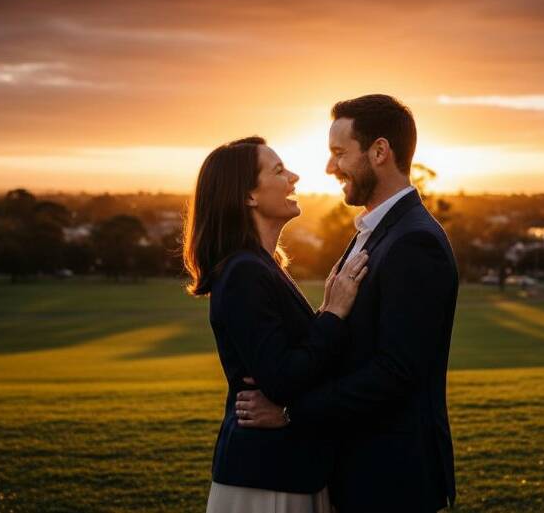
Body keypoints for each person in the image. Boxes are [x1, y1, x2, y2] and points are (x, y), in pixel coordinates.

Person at [236, 95, 459, 513]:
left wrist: (290, 411)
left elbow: (396, 372)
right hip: (361, 468)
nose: (328, 167)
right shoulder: (374, 230)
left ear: (379, 152)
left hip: (391, 478)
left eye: (339, 154)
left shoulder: (414, 242)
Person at [183, 135, 370, 513]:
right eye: (279, 170)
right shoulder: (244, 273)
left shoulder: (262, 266)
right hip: (267, 478)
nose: (295, 177)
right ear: (248, 196)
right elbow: (282, 379)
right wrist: (333, 315)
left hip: (286, 469)